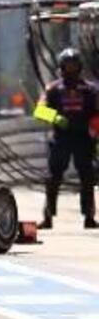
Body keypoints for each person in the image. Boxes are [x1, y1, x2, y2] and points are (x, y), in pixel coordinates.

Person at [33, 48, 98, 230]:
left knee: (87, 177)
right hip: (61, 138)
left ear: (79, 67)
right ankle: (48, 216)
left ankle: (89, 217)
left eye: (74, 65)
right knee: (53, 178)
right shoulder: (53, 89)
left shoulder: (91, 89)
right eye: (67, 66)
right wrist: (56, 118)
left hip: (84, 139)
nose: (70, 70)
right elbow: (39, 110)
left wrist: (94, 129)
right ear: (61, 67)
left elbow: (97, 114)